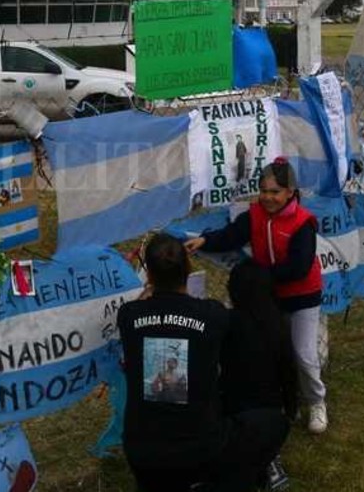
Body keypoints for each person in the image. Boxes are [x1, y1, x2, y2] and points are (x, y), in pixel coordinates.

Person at [119, 234, 288, 492]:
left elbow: (139, 313)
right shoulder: (213, 314)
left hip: (142, 452)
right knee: (274, 422)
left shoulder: (129, 316)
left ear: (149, 275)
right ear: (187, 270)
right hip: (201, 449)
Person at [185, 157, 329, 434]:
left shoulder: (303, 223)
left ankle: (317, 401)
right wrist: (205, 240)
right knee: (270, 351)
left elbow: (299, 268)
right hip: (269, 298)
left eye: (275, 192)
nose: (267, 197)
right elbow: (231, 235)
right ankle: (286, 401)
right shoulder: (253, 215)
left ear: (290, 193)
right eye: (263, 190)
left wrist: (259, 276)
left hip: (302, 297)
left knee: (303, 354)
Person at [223, 261, 297, 489]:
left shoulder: (229, 323)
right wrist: (291, 409)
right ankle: (269, 459)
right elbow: (289, 373)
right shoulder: (279, 325)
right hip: (272, 414)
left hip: (232, 412)